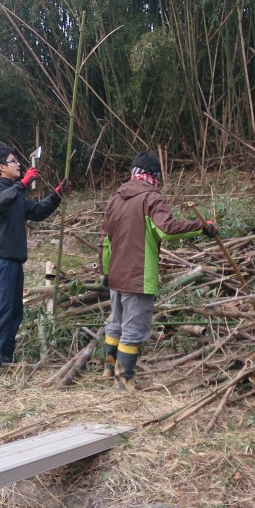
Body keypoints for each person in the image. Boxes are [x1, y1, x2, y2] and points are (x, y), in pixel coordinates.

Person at [100, 151, 217, 390]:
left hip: (116, 273)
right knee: (135, 325)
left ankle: (108, 368)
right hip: (138, 275)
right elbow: (167, 229)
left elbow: (105, 240)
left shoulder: (116, 199)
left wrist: (105, 271)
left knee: (116, 321)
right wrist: (201, 227)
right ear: (154, 175)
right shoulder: (151, 198)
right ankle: (124, 379)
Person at [0, 146, 67, 377]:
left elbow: (37, 211)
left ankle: (4, 359)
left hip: (14, 262)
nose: (18, 164)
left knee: (13, 313)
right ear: (1, 167)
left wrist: (57, 194)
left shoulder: (16, 193)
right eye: (13, 161)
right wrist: (23, 184)